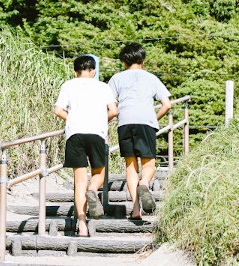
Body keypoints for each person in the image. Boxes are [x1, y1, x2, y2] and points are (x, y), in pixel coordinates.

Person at [53, 54, 118, 237]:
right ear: (94, 71)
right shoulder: (103, 86)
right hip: (96, 132)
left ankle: (82, 226)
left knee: (79, 180)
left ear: (75, 72)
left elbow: (58, 110)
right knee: (99, 172)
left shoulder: (68, 85)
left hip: (74, 133)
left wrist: (73, 119)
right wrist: (101, 121)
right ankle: (93, 190)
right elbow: (113, 111)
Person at [106, 42, 171, 219]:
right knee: (148, 163)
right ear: (143, 60)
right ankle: (144, 183)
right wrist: (153, 120)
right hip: (146, 122)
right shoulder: (151, 78)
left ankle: (135, 210)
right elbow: (167, 105)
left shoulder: (117, 78)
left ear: (124, 62)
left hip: (125, 122)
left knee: (131, 165)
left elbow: (110, 106)